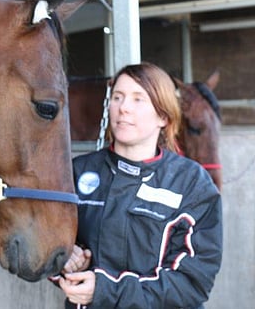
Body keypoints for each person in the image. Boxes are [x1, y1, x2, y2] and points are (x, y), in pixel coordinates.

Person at [57, 62, 222, 308]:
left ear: (163, 116)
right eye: (117, 97)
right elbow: (45, 243)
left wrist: (105, 291)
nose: (123, 107)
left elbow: (192, 283)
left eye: (138, 99)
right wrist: (65, 259)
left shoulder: (191, 184)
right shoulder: (78, 172)